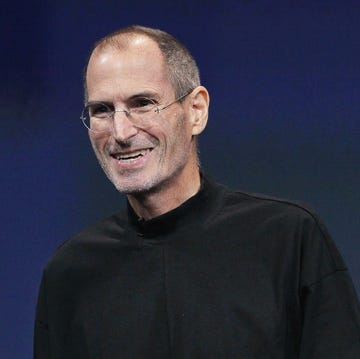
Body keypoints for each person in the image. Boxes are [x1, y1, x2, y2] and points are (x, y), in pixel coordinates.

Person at [34, 25, 360, 358]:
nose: (121, 131)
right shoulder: (70, 273)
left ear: (196, 111)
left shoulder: (289, 239)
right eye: (101, 110)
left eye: (143, 103)